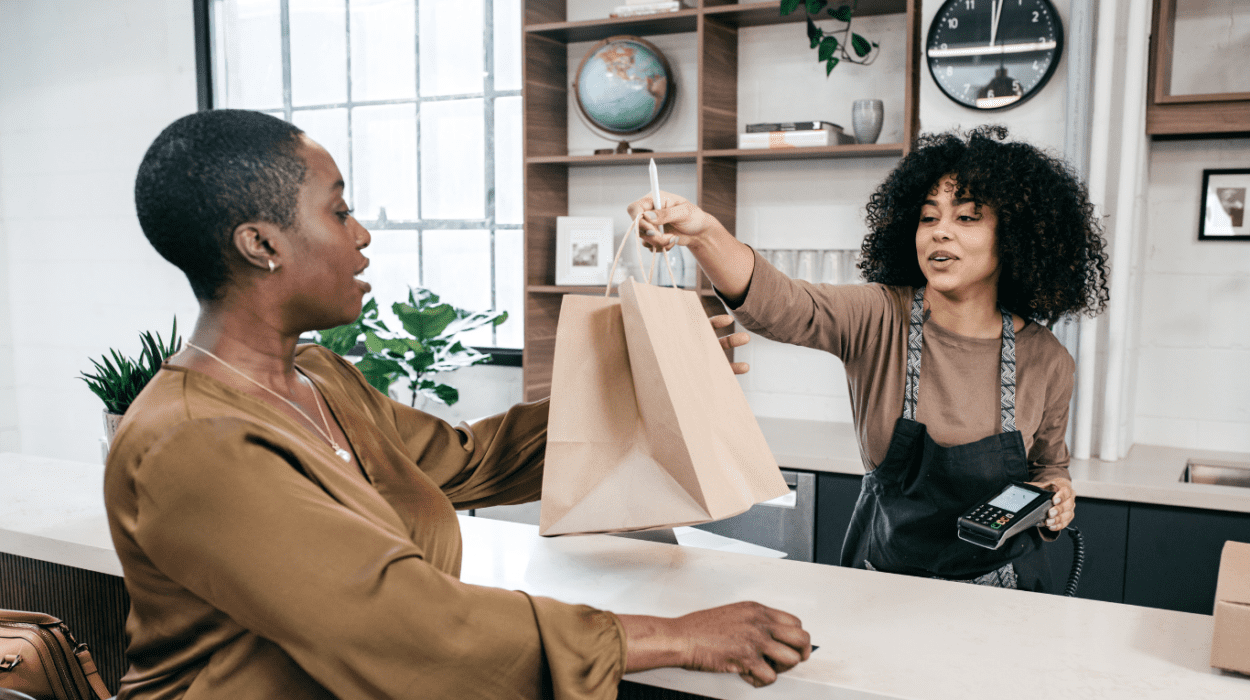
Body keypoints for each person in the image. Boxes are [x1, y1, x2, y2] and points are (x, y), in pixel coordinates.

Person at [104, 109, 810, 700]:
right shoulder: (192, 440)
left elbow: (469, 461)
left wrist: (653, 373)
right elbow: (399, 621)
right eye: (339, 210)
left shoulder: (320, 379)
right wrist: (674, 634)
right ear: (261, 244)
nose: (362, 233)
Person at [628, 126, 1110, 592]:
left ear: (1013, 237)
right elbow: (783, 304)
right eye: (928, 217)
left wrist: (1057, 497)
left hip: (1006, 591)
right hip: (883, 583)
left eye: (966, 218)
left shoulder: (1047, 359)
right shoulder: (880, 317)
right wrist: (704, 235)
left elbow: (1049, 465)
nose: (940, 233)